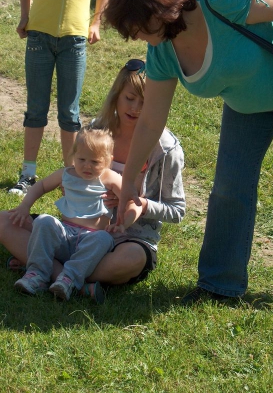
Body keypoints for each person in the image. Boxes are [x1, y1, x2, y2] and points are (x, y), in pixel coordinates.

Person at [102, 0, 273, 302]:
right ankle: (220, 286)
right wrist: (128, 184)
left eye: (137, 26)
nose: (136, 36)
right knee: (228, 189)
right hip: (247, 106)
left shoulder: (219, 1)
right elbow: (151, 122)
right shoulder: (162, 51)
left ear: (158, 10)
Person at [0, 59, 186, 301]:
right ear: (117, 94)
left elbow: (177, 210)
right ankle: (70, 278)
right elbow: (70, 172)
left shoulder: (166, 149)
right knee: (5, 221)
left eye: (146, 102)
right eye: (130, 98)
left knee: (132, 259)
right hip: (74, 230)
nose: (136, 108)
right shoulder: (97, 131)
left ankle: (45, 268)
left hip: (124, 238)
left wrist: (140, 203)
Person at [10, 127, 141, 301]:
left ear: (108, 161)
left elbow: (133, 201)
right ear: (73, 155)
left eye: (95, 162)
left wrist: (124, 223)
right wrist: (24, 206)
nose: (87, 166)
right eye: (81, 159)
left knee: (104, 238)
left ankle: (68, 279)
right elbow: (41, 186)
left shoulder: (109, 177)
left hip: (91, 240)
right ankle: (36, 274)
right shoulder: (67, 173)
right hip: (64, 234)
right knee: (44, 221)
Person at [9, 0, 111, 196]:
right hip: (39, 33)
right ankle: (27, 175)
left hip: (74, 37)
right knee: (36, 108)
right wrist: (24, 15)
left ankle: (70, 176)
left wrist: (96, 22)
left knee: (70, 111)